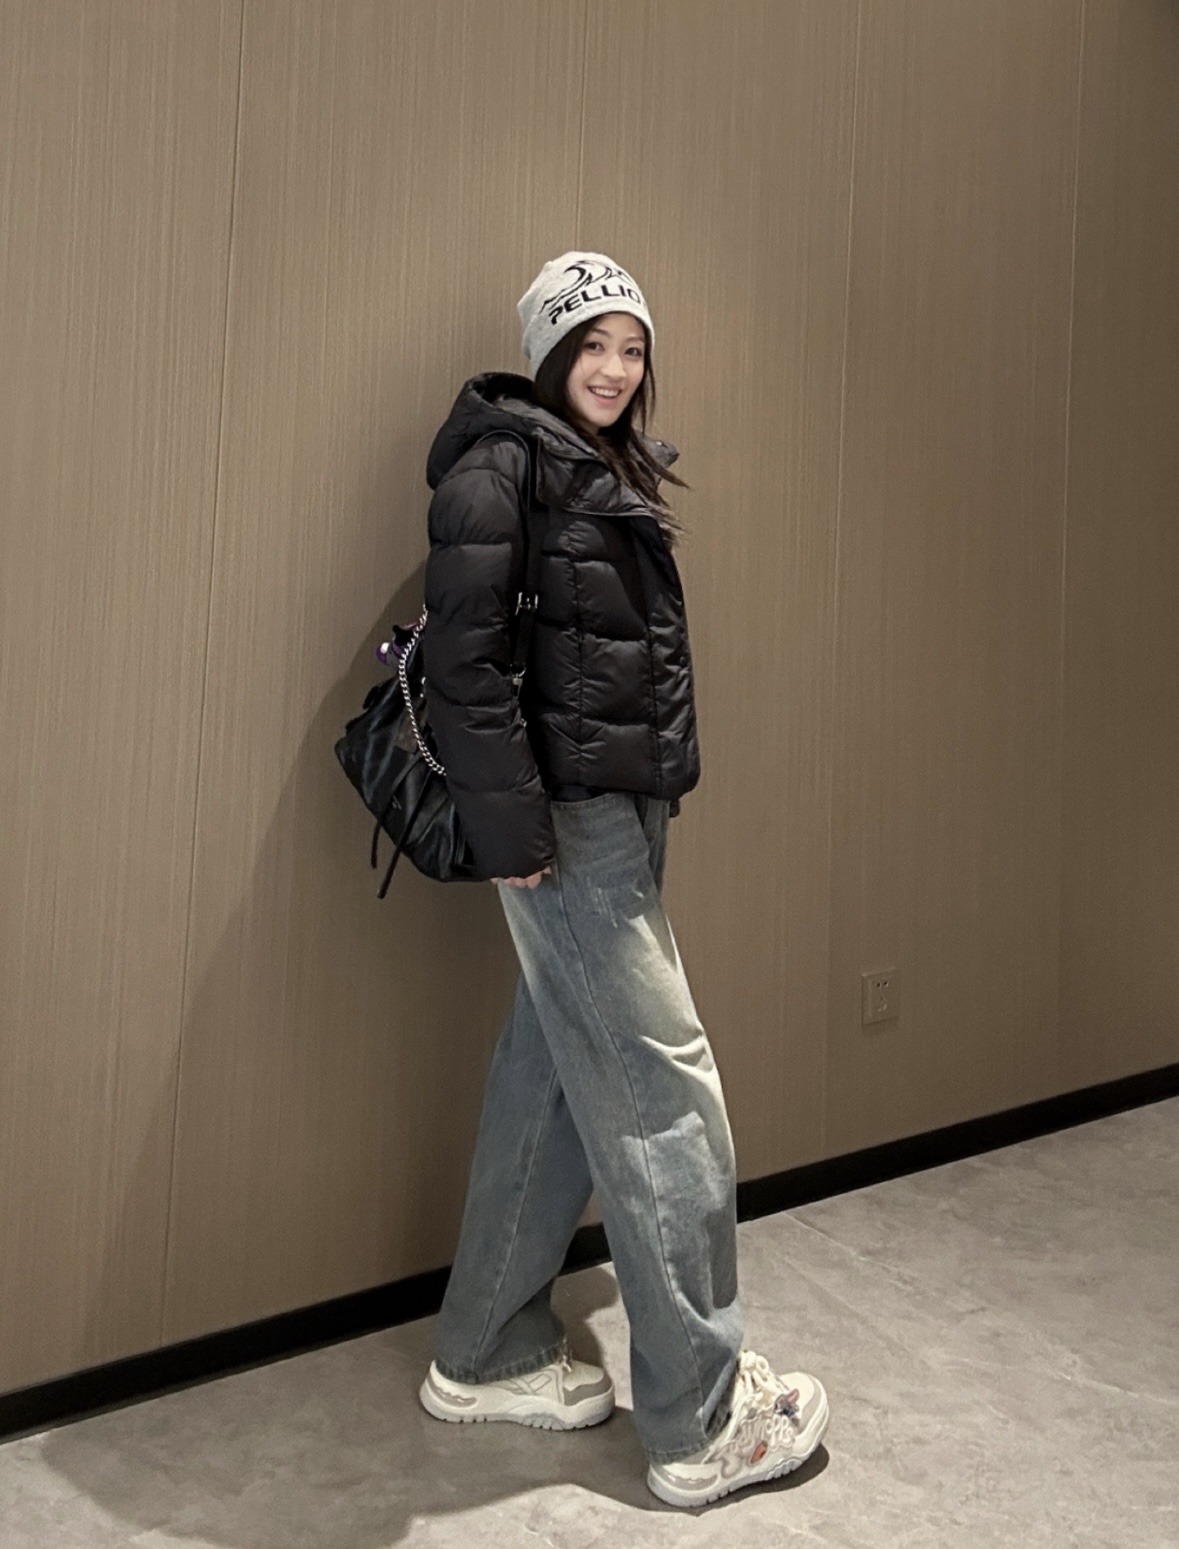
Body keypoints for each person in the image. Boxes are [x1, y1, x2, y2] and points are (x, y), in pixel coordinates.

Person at [415, 251, 829, 1508]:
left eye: (632, 346)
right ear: (547, 350)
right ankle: (702, 1422)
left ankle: (484, 1350)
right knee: (663, 1088)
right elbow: (464, 666)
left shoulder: (591, 462)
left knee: (551, 1072)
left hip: (616, 809)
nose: (613, 366)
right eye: (589, 343)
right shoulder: (500, 465)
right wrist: (517, 834)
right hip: (566, 823)